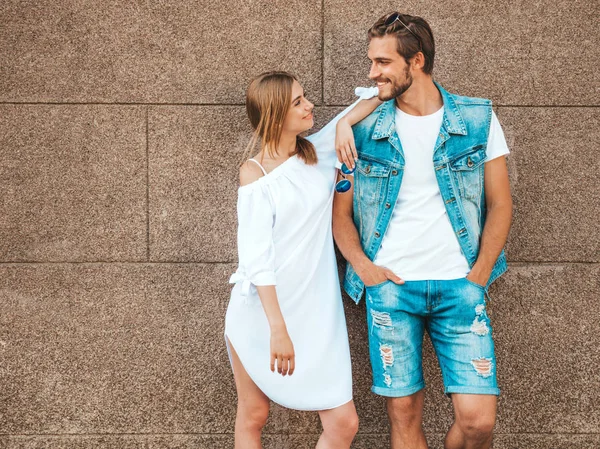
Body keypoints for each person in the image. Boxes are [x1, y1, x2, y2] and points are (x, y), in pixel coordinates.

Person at [332, 12, 513, 449]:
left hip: (461, 285)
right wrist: (366, 269)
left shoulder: (477, 120)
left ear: (415, 61)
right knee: (405, 420)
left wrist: (480, 275)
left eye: (382, 62)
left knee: (478, 423)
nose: (372, 72)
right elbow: (340, 215)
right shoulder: (361, 128)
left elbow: (501, 203)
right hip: (392, 290)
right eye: (371, 61)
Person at [225, 70, 380, 449]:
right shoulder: (254, 174)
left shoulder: (318, 149)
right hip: (264, 313)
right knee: (253, 414)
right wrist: (278, 328)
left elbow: (377, 96)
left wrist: (344, 122)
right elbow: (256, 258)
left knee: (344, 423)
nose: (310, 105)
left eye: (304, 96)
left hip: (316, 313)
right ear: (276, 114)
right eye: (298, 102)